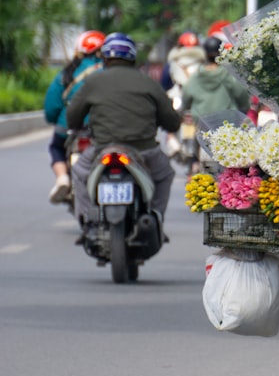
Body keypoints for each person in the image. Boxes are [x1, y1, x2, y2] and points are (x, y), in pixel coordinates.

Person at [67, 33, 182, 235]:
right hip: (144, 151)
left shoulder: (93, 82)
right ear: (132, 58)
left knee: (78, 172)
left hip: (102, 149)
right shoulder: (148, 83)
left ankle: (88, 221)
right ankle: (155, 218)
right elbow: (171, 121)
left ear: (105, 57)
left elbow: (73, 117)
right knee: (165, 174)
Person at [43, 30, 105, 204]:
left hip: (70, 127)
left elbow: (51, 108)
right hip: (104, 129)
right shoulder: (111, 71)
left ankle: (62, 178)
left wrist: (56, 120)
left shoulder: (67, 73)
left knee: (56, 147)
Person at [179, 36, 251, 171]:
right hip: (227, 127)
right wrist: (244, 109)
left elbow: (186, 100)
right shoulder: (228, 75)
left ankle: (194, 166)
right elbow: (242, 96)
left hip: (202, 127)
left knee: (195, 156)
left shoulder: (196, 77)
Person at [159, 31, 206, 156]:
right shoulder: (203, 63)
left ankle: (171, 141)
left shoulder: (172, 63)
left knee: (169, 120)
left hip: (178, 98)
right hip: (198, 99)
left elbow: (164, 83)